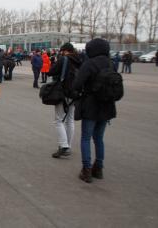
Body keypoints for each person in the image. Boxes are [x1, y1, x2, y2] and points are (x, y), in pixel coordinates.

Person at [72, 38, 117, 183]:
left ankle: (86, 170)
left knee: (86, 138)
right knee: (99, 138)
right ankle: (98, 168)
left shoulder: (89, 64)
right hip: (106, 106)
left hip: (91, 105)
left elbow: (77, 84)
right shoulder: (111, 63)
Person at [47, 43, 82, 158]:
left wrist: (56, 61)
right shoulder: (79, 60)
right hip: (75, 93)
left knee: (58, 120)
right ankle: (68, 146)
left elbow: (51, 71)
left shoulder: (64, 59)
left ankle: (64, 145)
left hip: (64, 92)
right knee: (70, 120)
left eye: (62, 51)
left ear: (65, 51)